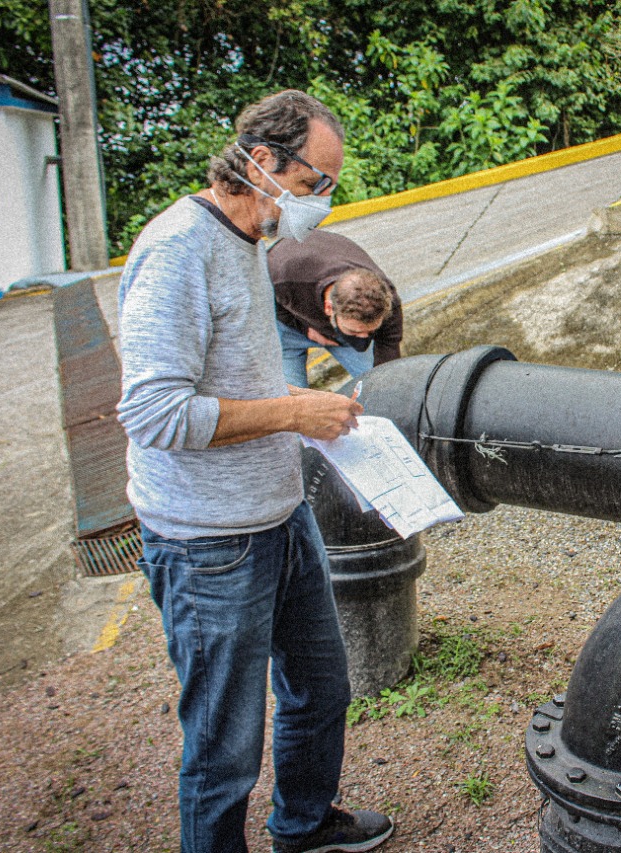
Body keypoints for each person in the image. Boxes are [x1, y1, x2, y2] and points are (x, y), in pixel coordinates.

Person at [116, 89, 394, 853]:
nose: (320, 203)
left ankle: (302, 826)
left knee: (321, 689)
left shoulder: (249, 241)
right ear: (263, 162)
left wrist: (297, 405)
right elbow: (155, 415)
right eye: (313, 184)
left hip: (278, 514)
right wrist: (291, 413)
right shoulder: (177, 249)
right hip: (207, 542)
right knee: (224, 742)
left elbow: (236, 381)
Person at [268, 230, 404, 385]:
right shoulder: (283, 277)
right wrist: (305, 329)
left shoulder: (387, 300)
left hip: (339, 334)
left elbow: (388, 357)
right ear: (329, 308)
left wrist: (384, 386)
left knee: (378, 383)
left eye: (371, 331)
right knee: (291, 400)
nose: (363, 340)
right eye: (355, 331)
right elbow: (265, 306)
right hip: (291, 332)